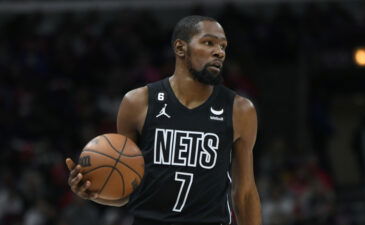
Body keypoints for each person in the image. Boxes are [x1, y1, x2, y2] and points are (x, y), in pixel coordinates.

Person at [66, 15, 261, 225]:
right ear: (180, 48)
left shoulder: (240, 109)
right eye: (208, 42)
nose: (219, 52)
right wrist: (94, 192)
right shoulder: (138, 103)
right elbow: (126, 185)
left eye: (223, 46)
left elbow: (245, 193)